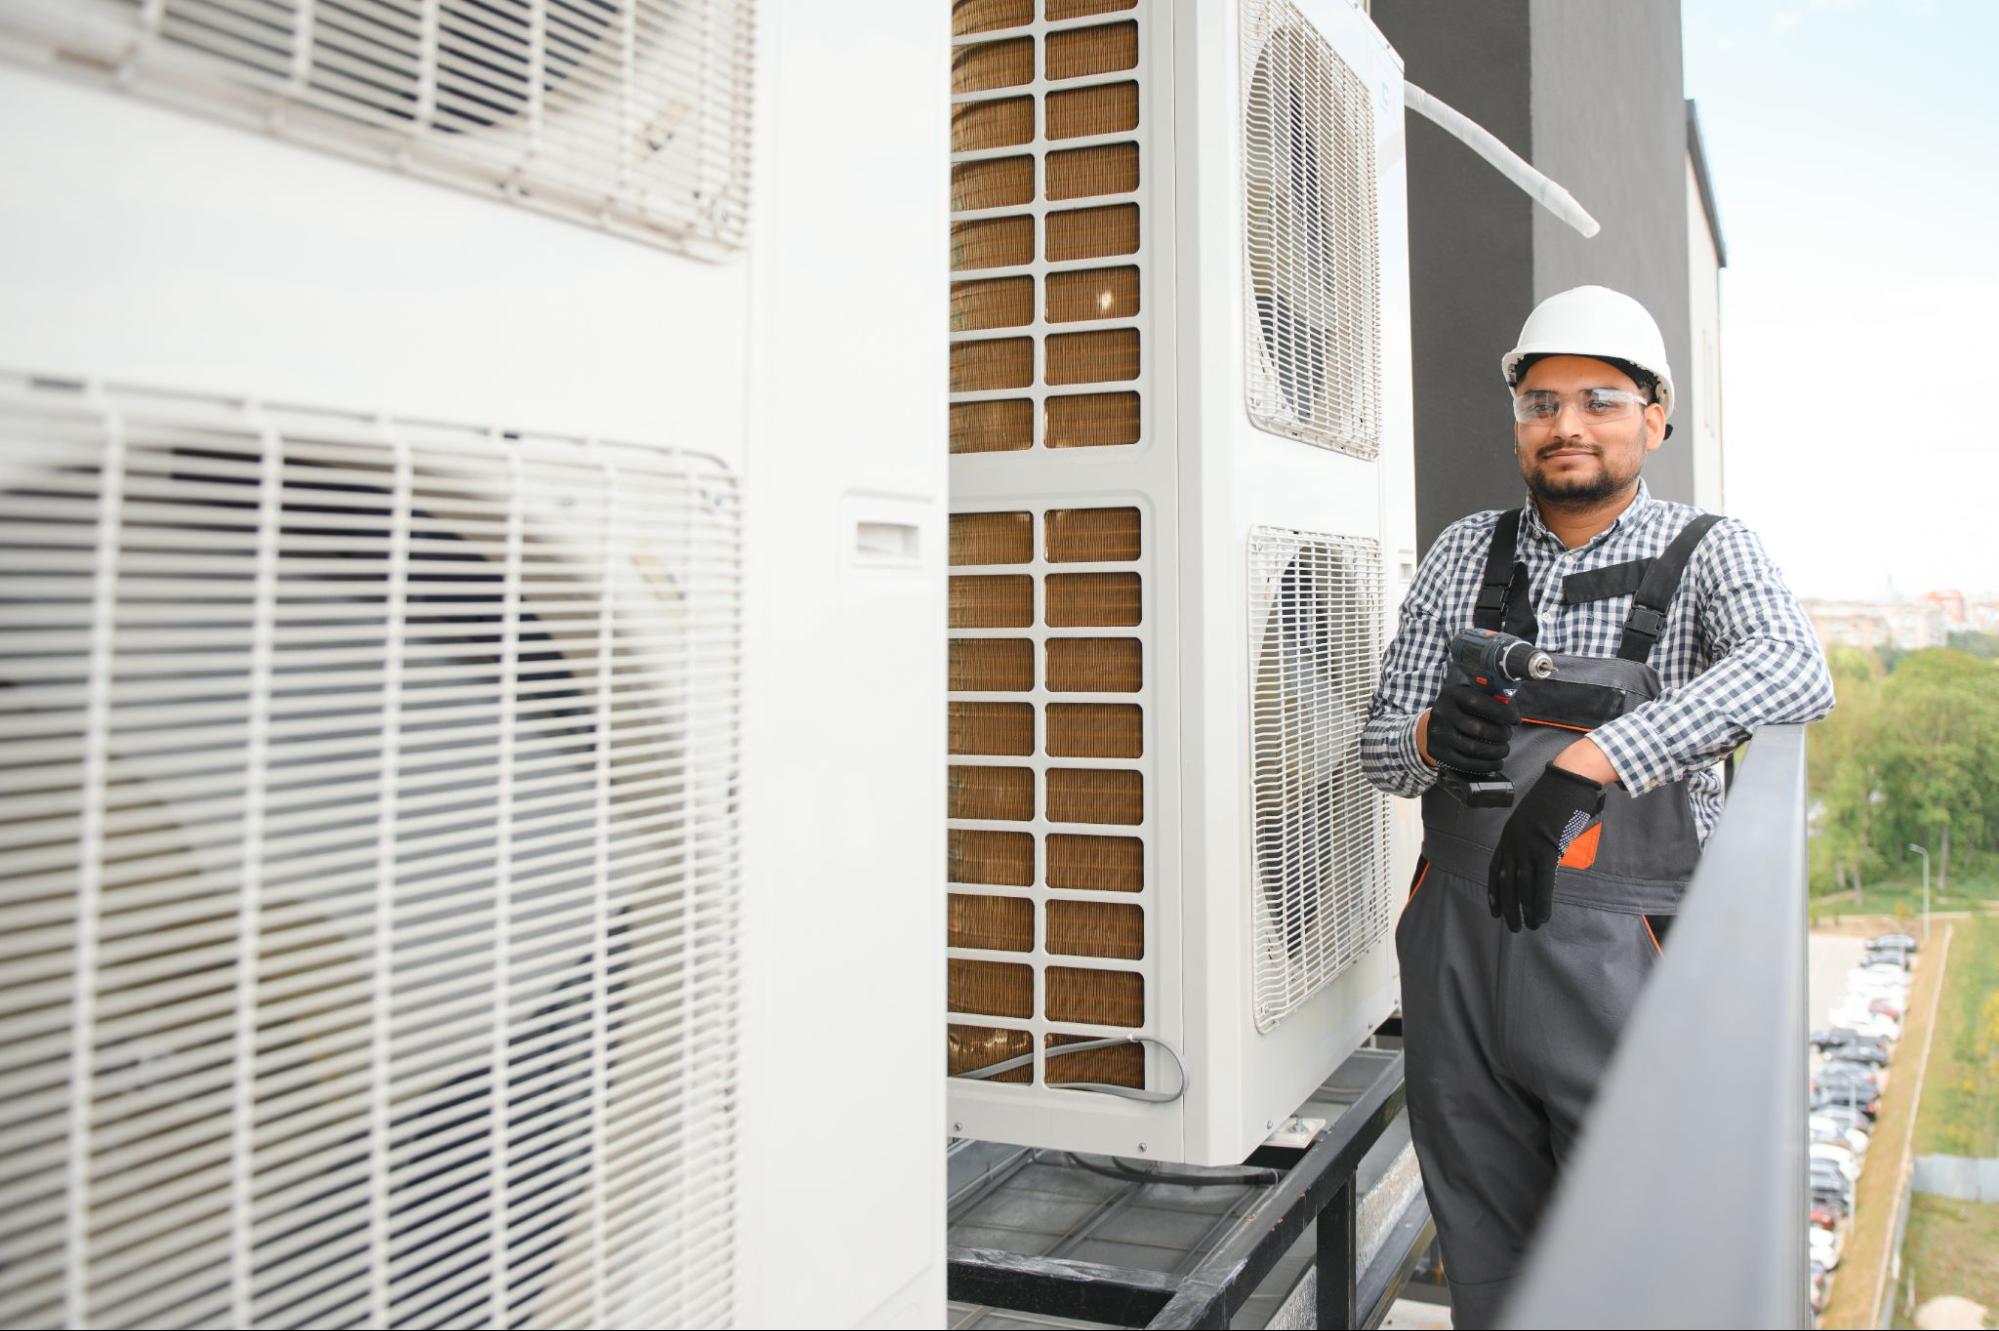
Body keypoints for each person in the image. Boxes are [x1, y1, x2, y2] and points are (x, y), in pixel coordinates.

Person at [1358, 284, 1834, 1327]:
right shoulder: (1463, 553)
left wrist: (1596, 758)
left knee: (1636, 1240)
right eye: (1541, 403)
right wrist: (1431, 736)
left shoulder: (1708, 551)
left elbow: (1795, 671)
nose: (1565, 423)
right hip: (1458, 951)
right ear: (1517, 422)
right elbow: (1377, 751)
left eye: (1599, 400)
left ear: (1653, 418)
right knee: (1483, 1233)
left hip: (1628, 954)